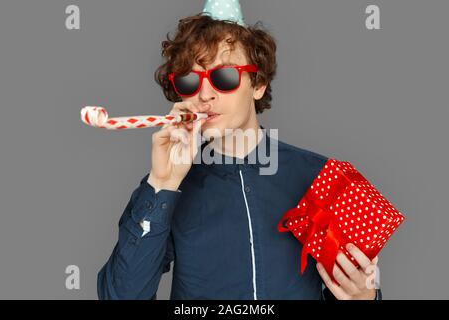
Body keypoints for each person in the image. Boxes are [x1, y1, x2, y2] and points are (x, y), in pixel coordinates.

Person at [97, 2, 381, 300]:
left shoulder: (322, 178)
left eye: (224, 77)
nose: (205, 94)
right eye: (190, 81)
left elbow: (348, 284)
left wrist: (365, 297)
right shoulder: (167, 189)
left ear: (257, 83)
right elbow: (120, 296)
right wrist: (162, 184)